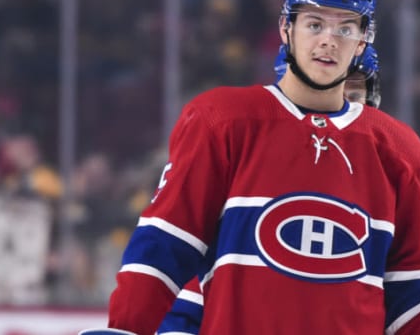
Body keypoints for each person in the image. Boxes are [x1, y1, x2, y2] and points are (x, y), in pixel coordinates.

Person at [81, 0, 420, 335]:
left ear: (363, 41)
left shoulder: (398, 149)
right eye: (314, 24)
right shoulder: (222, 121)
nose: (329, 40)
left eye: (346, 28)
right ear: (285, 28)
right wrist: (126, 329)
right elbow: (166, 247)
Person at [156, 44, 383, 335]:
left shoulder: (395, 183)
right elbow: (183, 305)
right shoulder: (241, 181)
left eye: (352, 95)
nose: (335, 105)